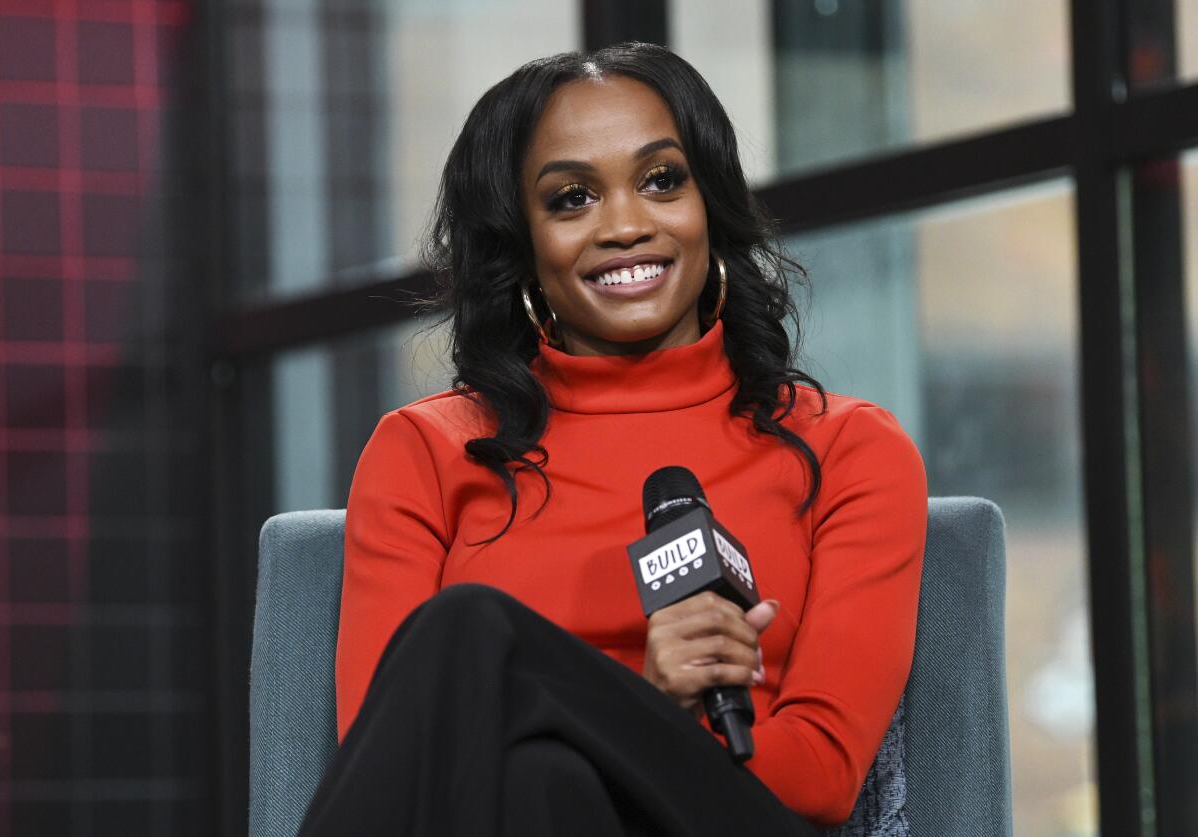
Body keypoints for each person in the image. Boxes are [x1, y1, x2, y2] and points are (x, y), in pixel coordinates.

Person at [299, 42, 927, 836]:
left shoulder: (845, 448)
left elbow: (824, 772)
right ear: (521, 244)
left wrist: (661, 719)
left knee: (471, 631)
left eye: (662, 180)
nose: (626, 225)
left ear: (711, 207)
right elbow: (399, 752)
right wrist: (647, 694)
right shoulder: (425, 451)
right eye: (571, 199)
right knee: (539, 777)